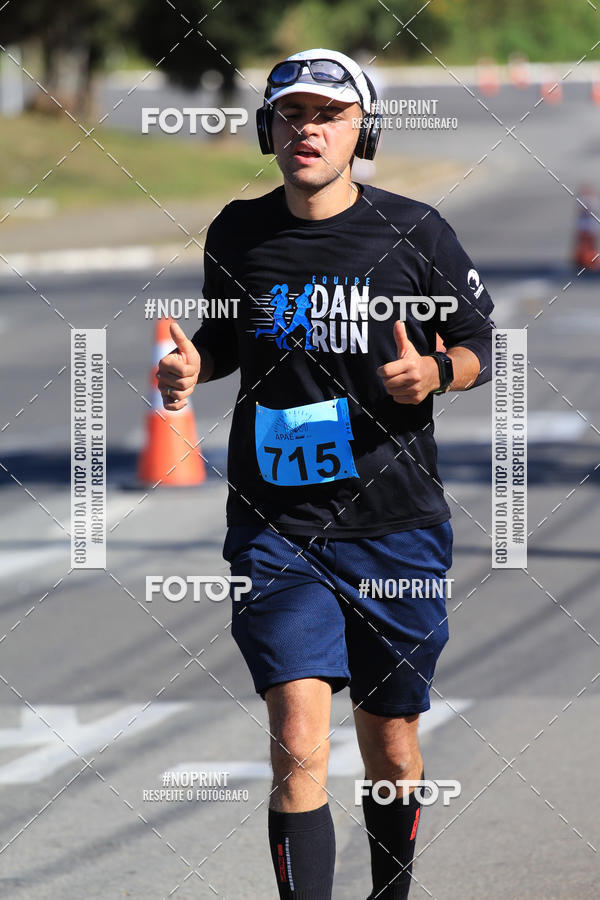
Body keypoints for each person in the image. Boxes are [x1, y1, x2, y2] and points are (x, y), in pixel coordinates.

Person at [156, 48, 494, 900]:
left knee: (390, 743)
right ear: (267, 130)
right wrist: (194, 366)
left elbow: (481, 342)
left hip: (395, 524)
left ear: (362, 130)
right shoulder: (240, 231)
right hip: (277, 525)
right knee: (297, 737)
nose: (307, 130)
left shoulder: (414, 232)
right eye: (291, 115)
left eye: (328, 115)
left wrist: (438, 373)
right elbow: (226, 339)